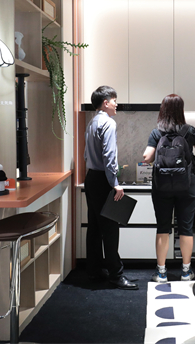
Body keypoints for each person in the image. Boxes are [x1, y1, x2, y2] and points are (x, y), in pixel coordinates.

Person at [143, 94, 195, 282]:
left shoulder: (157, 132)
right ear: (181, 110)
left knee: (163, 228)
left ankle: (161, 272)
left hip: (162, 187)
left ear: (162, 110)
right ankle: (186, 271)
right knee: (186, 228)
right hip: (186, 185)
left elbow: (147, 157)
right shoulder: (189, 131)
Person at [84, 86, 137, 290]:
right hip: (103, 181)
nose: (117, 104)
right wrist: (115, 183)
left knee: (95, 227)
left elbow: (86, 155)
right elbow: (109, 156)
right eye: (114, 100)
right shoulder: (108, 122)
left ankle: (94, 270)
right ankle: (116, 275)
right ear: (105, 103)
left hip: (91, 178)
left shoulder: (92, 122)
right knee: (110, 229)